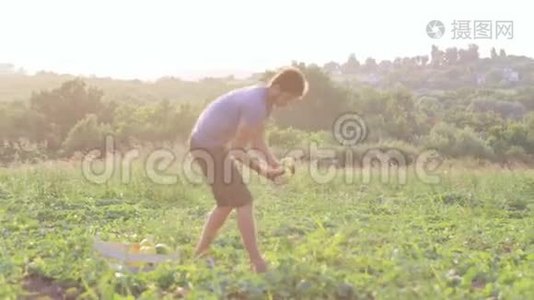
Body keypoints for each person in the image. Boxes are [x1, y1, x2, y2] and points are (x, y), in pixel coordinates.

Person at [188, 67, 308, 272]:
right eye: (288, 98)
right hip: (207, 147)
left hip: (210, 145)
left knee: (226, 203)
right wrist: (264, 171)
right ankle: (257, 262)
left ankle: (201, 251)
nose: (288, 105)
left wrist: (273, 162)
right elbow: (237, 151)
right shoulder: (256, 105)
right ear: (276, 87)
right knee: (244, 201)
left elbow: (257, 138)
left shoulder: (264, 100)